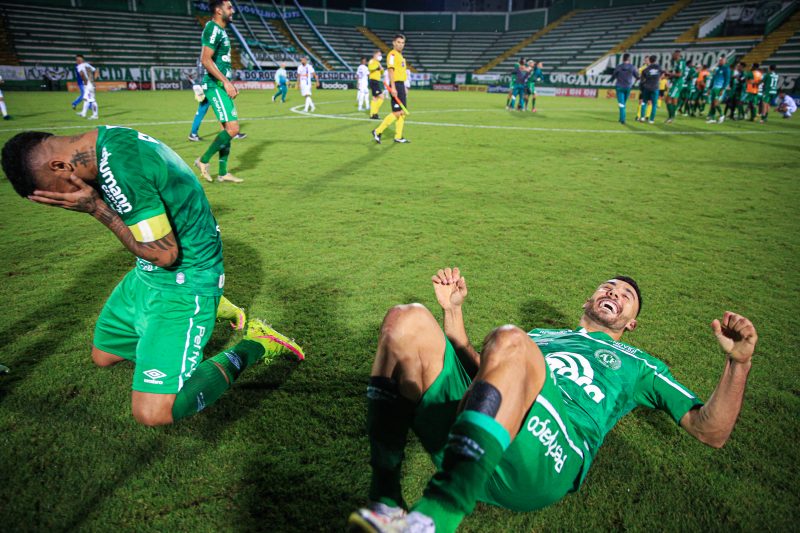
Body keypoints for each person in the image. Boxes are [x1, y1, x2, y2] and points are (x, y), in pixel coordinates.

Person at [348, 267, 757, 533]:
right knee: (407, 319)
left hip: (548, 457)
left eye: (626, 294)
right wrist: (452, 312)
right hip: (485, 427)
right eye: (608, 286)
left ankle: (437, 515)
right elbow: (481, 371)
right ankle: (385, 500)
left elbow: (711, 430)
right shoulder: (541, 336)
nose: (614, 291)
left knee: (510, 338)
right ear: (587, 302)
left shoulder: (640, 365)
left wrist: (738, 363)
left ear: (631, 323)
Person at [1, 127, 305, 426]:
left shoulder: (122, 169)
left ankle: (257, 343)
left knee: (154, 412)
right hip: (146, 277)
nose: (65, 203)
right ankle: (205, 314)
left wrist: (96, 208)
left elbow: (164, 254)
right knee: (104, 355)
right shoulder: (105, 140)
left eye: (56, 195)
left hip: (183, 282)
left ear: (60, 166)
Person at [194, 0, 243, 184]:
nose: (233, 11)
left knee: (227, 130)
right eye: (229, 7)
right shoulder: (213, 28)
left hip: (221, 85)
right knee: (233, 129)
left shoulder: (221, 31)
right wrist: (225, 82)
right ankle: (203, 160)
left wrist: (228, 83)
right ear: (218, 10)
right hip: (214, 85)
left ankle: (223, 172)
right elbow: (205, 60)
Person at [372, 34, 410, 145]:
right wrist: (393, 87)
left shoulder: (400, 56)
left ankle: (398, 136)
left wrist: (404, 87)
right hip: (396, 85)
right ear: (394, 43)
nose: (401, 45)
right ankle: (377, 131)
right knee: (397, 112)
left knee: (402, 112)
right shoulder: (392, 55)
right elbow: (391, 71)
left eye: (402, 43)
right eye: (398, 42)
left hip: (401, 85)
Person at [610, 53, 639, 124]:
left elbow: (614, 75)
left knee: (621, 104)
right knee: (623, 104)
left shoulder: (619, 67)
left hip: (619, 87)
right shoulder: (632, 67)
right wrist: (634, 82)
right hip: (628, 87)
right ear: (629, 59)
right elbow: (637, 76)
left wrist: (615, 79)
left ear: (623, 59)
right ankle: (621, 118)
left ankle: (622, 119)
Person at [706, 56, 731, 124]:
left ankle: (722, 115)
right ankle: (712, 118)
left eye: (722, 60)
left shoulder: (726, 69)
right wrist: (709, 88)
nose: (720, 61)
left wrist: (723, 89)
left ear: (725, 61)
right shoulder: (717, 69)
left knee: (716, 103)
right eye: (719, 60)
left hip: (720, 88)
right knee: (712, 104)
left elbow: (727, 80)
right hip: (714, 88)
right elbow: (713, 79)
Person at [664, 50, 686, 123]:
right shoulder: (676, 63)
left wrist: (669, 73)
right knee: (673, 100)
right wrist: (668, 75)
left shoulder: (680, 62)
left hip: (677, 83)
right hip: (675, 83)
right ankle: (671, 117)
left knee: (668, 99)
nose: (672, 56)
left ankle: (671, 117)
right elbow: (675, 74)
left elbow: (680, 74)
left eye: (673, 55)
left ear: (677, 55)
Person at [639, 55, 662, 124]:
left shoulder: (646, 69)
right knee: (654, 105)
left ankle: (642, 117)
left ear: (650, 60)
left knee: (644, 102)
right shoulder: (658, 68)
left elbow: (642, 79)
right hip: (655, 87)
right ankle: (651, 120)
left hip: (647, 87)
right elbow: (662, 74)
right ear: (655, 60)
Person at [368, 50, 385, 120]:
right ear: (374, 55)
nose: (380, 56)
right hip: (373, 81)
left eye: (380, 55)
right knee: (381, 97)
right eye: (379, 55)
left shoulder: (378, 62)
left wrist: (381, 69)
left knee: (375, 98)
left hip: (376, 81)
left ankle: (372, 114)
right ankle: (375, 113)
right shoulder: (372, 61)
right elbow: (370, 68)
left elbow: (382, 73)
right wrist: (377, 68)